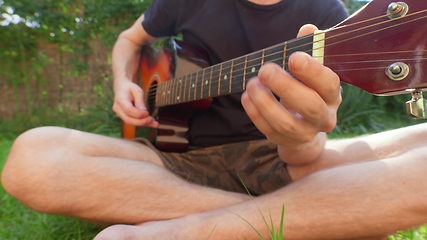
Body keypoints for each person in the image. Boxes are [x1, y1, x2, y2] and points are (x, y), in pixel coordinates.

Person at [2, 0, 427, 239]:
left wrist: (301, 135)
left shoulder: (331, 16)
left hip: (276, 160)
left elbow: (310, 136)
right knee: (32, 157)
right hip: (172, 158)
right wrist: (122, 83)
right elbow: (129, 41)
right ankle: (311, 218)